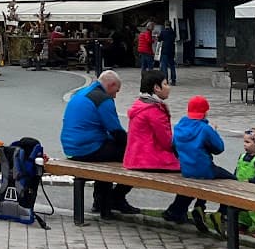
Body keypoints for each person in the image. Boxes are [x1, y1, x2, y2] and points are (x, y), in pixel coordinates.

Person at [60, 70, 135, 219]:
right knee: (134, 156)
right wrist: (133, 145)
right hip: (86, 149)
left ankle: (100, 201)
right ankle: (116, 198)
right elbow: (116, 131)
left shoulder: (81, 93)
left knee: (108, 154)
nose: (115, 96)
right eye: (116, 91)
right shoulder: (102, 99)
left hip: (70, 147)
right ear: (111, 85)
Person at [125, 70, 191, 224]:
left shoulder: (140, 104)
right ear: (156, 88)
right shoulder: (154, 110)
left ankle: (115, 198)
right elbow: (167, 142)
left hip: (136, 157)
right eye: (166, 84)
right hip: (151, 159)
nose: (169, 87)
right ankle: (176, 210)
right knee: (195, 170)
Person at [173, 96, 227, 232]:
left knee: (200, 183)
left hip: (186, 170)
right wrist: (214, 131)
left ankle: (200, 206)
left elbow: (173, 146)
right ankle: (221, 213)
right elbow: (219, 148)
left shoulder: (180, 126)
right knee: (232, 179)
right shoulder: (205, 128)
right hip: (205, 169)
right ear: (205, 112)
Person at [224, 127, 255, 238]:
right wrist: (234, 178)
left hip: (254, 189)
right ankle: (243, 225)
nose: (244, 144)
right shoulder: (242, 156)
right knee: (241, 208)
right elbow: (238, 169)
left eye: (247, 142)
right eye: (244, 142)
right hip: (241, 187)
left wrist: (250, 181)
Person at [158, 21, 177, 86]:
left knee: (164, 66)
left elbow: (159, 39)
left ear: (165, 25)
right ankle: (173, 80)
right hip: (171, 51)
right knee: (172, 66)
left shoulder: (163, 32)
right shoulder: (173, 32)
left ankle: (165, 80)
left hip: (164, 51)